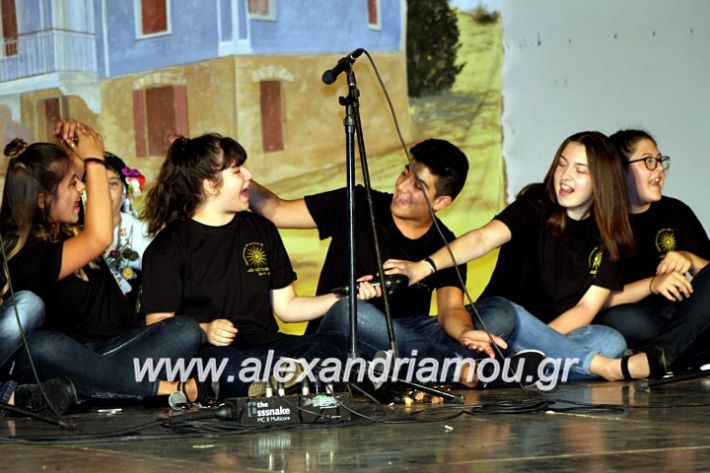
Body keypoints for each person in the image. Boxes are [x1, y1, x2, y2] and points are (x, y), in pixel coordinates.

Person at [385, 131, 667, 381]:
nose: (565, 176)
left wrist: (541, 345)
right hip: (499, 324)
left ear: (602, 181)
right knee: (509, 314)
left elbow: (585, 309)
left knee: (610, 341)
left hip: (549, 335)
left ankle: (508, 371)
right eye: (562, 164)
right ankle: (590, 367)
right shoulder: (536, 204)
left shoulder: (613, 235)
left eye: (580, 170)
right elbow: (483, 238)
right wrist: (424, 267)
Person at [249, 138, 517, 385]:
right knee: (350, 309)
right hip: (343, 332)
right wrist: (236, 179)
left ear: (441, 202)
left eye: (418, 186)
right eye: (405, 173)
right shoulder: (358, 202)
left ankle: (414, 366)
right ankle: (452, 368)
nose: (402, 186)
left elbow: (451, 310)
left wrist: (464, 333)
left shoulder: (445, 243)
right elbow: (277, 211)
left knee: (501, 312)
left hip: (403, 338)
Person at [141, 133, 369, 399]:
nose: (249, 175)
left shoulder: (260, 229)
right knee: (220, 366)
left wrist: (346, 296)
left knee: (335, 346)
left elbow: (288, 307)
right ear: (210, 185)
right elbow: (157, 325)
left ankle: (281, 381)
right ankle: (281, 382)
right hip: (211, 352)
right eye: (237, 170)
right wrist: (205, 329)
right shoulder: (168, 247)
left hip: (266, 346)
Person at [1, 121, 204, 404]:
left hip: (117, 352)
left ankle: (93, 389)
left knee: (185, 331)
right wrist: (95, 159)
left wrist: (74, 142)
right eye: (73, 184)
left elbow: (69, 171)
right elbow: (99, 237)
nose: (82, 187)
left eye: (79, 179)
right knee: (39, 346)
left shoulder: (70, 226)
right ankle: (156, 390)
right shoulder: (27, 256)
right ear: (43, 201)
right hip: (67, 357)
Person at [596, 129, 710, 371]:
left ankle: (660, 357)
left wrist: (689, 258)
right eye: (648, 161)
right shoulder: (599, 222)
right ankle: (684, 357)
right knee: (618, 319)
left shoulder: (676, 212)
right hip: (640, 319)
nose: (659, 169)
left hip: (683, 316)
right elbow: (594, 301)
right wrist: (653, 284)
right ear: (620, 170)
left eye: (660, 161)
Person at [102, 152, 151, 310]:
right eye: (97, 183)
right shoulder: (73, 233)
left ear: (124, 191)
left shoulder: (142, 230)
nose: (104, 190)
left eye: (113, 183)